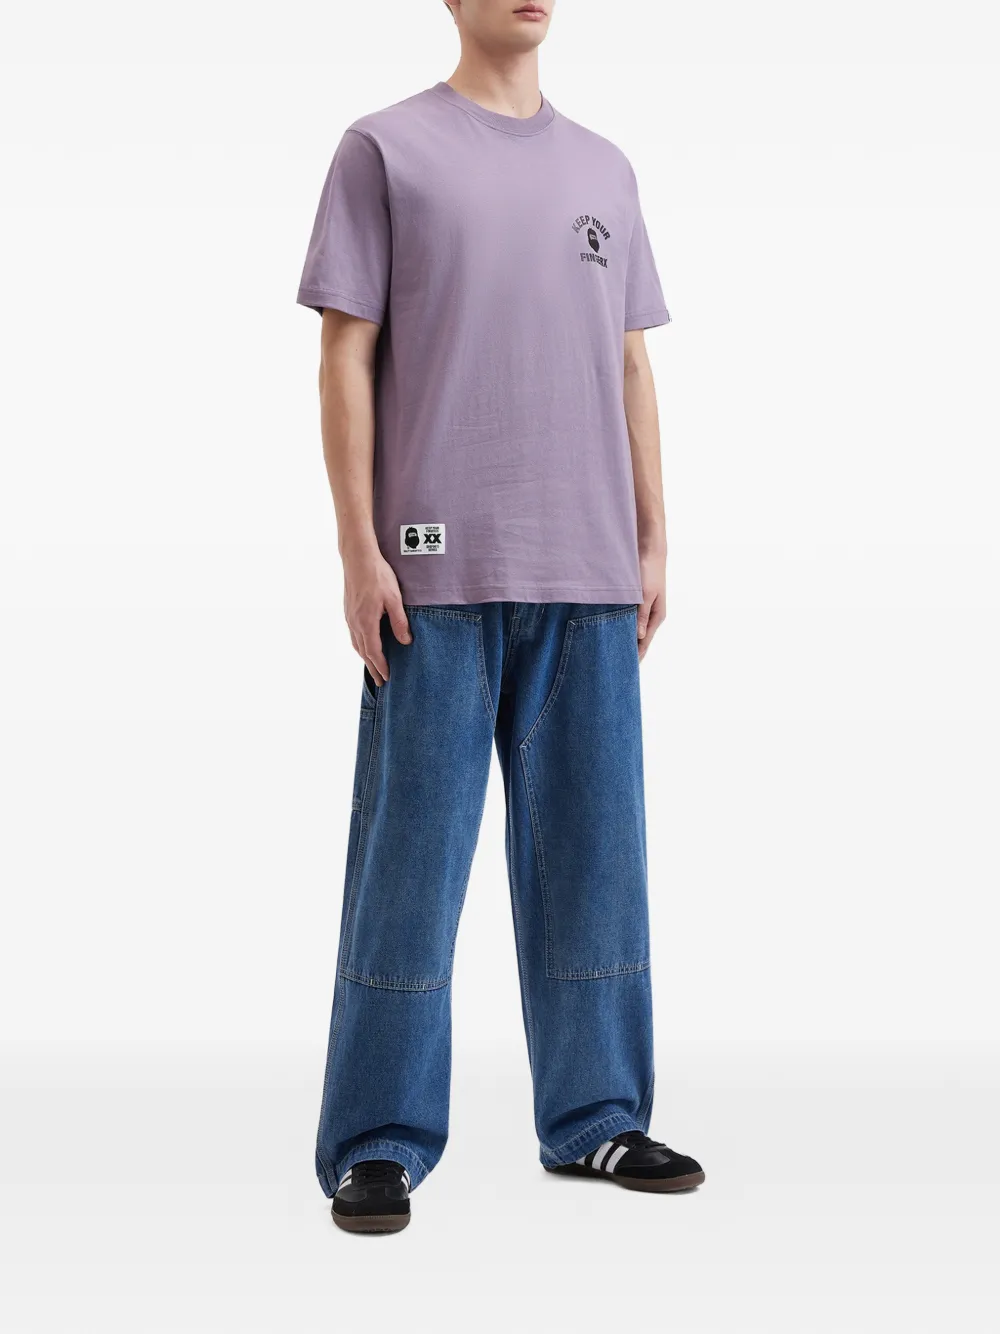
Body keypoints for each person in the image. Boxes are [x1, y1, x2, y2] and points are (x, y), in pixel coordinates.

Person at [297, 0, 704, 1235]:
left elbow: (630, 362)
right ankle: (376, 1140)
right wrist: (357, 546)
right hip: (432, 574)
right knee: (407, 874)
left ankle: (597, 1116)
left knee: (594, 862)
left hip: (587, 574)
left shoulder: (605, 171)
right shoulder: (384, 149)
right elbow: (346, 352)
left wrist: (652, 534)